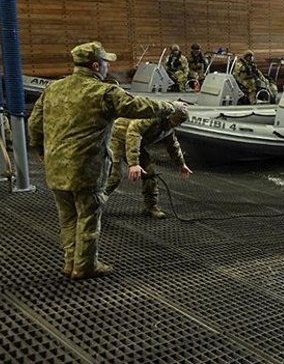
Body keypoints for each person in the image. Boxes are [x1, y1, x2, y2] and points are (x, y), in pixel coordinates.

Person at [28, 41, 177, 280]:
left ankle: (70, 263)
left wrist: (40, 150)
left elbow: (34, 124)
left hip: (55, 169)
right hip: (87, 169)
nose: (108, 66)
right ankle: (85, 266)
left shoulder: (53, 88)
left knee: (67, 219)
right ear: (96, 65)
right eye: (106, 62)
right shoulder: (104, 92)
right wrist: (170, 106)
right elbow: (138, 106)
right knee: (87, 217)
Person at [104, 106, 193, 219]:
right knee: (114, 176)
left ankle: (151, 207)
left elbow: (172, 145)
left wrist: (181, 164)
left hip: (136, 142)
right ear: (168, 117)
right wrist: (134, 163)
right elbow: (133, 135)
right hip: (118, 138)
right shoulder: (150, 117)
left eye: (179, 123)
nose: (176, 125)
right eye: (175, 122)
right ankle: (93, 206)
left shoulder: (169, 126)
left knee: (150, 173)